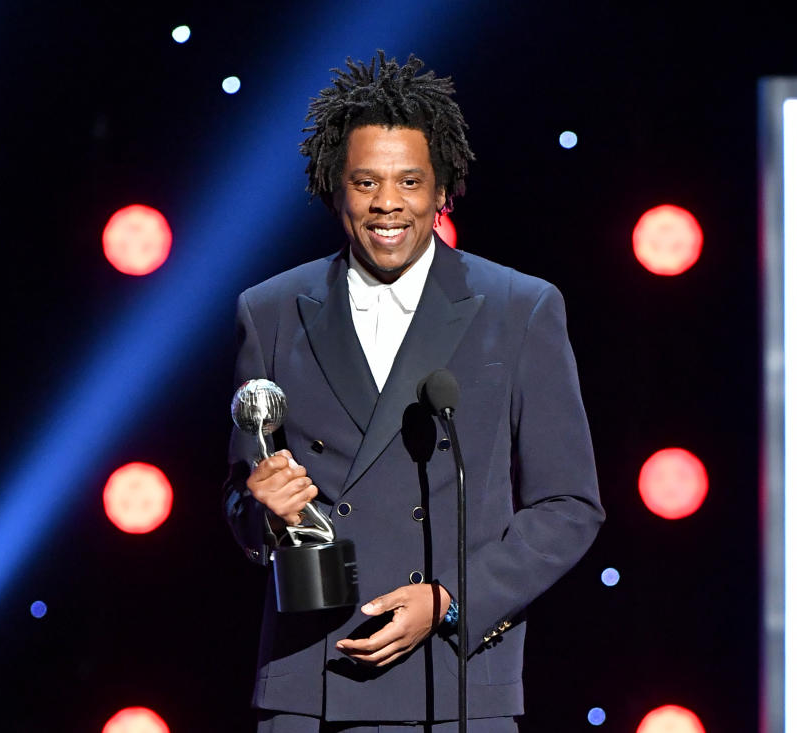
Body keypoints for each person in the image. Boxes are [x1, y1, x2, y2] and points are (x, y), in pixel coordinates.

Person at [223, 51, 604, 732]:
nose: (387, 203)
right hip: (311, 680)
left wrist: (452, 597)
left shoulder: (519, 308)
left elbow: (570, 504)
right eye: (365, 181)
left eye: (409, 181)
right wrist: (265, 513)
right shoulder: (271, 309)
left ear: (441, 190)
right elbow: (241, 502)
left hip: (452, 685)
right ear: (334, 188)